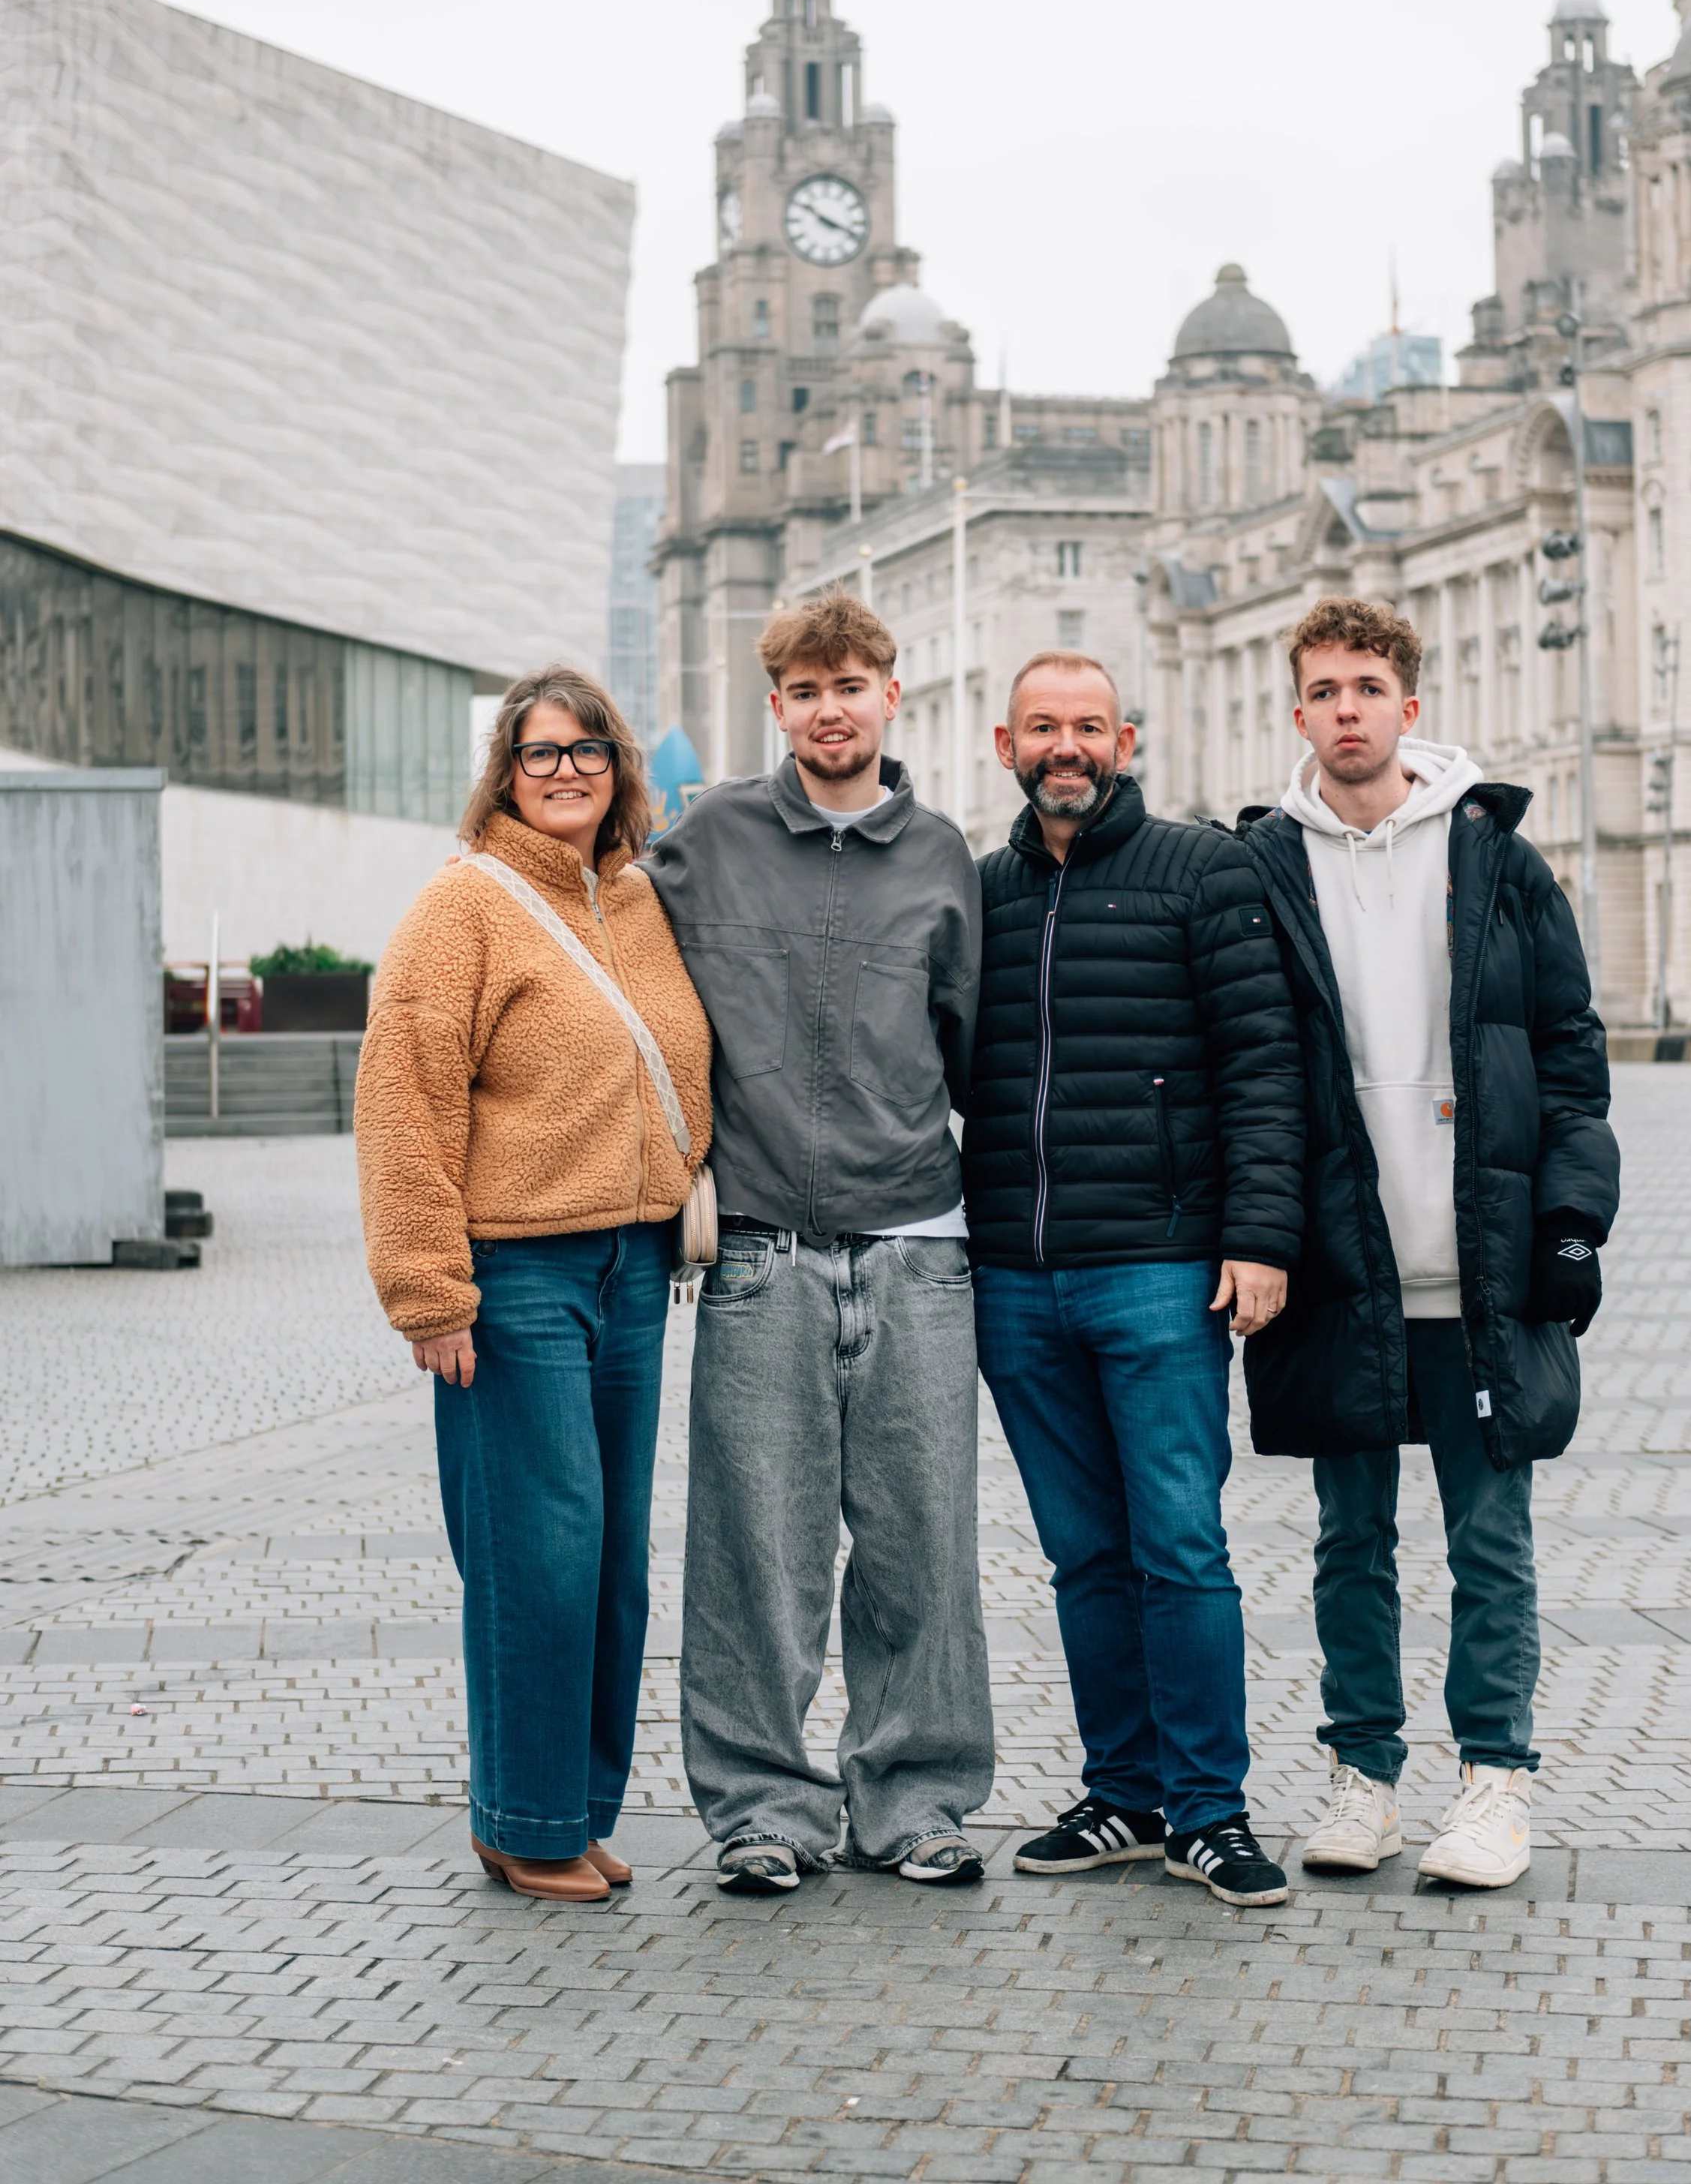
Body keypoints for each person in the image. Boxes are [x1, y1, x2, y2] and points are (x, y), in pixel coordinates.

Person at [1236, 596, 1618, 1889]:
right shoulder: (1260, 866)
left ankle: (1495, 1782)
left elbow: (1568, 1047)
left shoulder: (1498, 857)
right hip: (1340, 1264)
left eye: (1368, 686)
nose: (1346, 708)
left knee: (1487, 1537)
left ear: (1411, 705)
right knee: (1350, 1540)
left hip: (1479, 1263)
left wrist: (1573, 1224)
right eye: (1323, 688)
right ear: (1297, 713)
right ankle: (1364, 1775)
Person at [641, 589, 993, 1895]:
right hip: (761, 1252)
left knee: (922, 1541)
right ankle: (764, 1811)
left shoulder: (942, 851)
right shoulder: (711, 836)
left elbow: (970, 1041)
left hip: (916, 1240)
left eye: (852, 683)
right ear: (777, 704)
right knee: (755, 1545)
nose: (830, 707)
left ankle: (917, 1798)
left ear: (891, 695)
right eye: (804, 688)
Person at [355, 667, 710, 1903]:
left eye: (589, 750)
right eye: (540, 753)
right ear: (505, 771)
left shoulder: (639, 900)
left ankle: (572, 1809)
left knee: (610, 1557)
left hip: (631, 1270)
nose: (566, 772)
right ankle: (523, 1820)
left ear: (621, 769)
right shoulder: (465, 907)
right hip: (513, 1274)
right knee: (536, 1555)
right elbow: (402, 1095)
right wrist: (427, 1288)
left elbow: (673, 1055)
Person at [963, 651, 1305, 1909]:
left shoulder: (1204, 871)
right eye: (1044, 727)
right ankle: (1125, 1790)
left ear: (1128, 738)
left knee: (1180, 1546)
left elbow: (1265, 1064)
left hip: (1161, 1272)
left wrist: (1260, 1236)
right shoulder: (982, 890)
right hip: (1016, 1275)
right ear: (1006, 744)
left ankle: (1211, 1810)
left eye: (1089, 727)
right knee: (1083, 1556)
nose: (1068, 747)